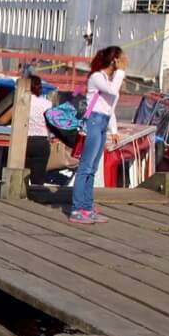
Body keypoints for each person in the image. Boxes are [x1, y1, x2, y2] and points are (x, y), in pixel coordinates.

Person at [69, 46, 125, 224]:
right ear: (114, 60)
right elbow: (112, 91)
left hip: (103, 122)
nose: (125, 62)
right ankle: (77, 209)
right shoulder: (97, 77)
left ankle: (87, 206)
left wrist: (114, 130)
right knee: (85, 167)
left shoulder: (109, 79)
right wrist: (121, 72)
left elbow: (110, 107)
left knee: (93, 168)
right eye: (121, 59)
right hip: (93, 122)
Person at [23, 74, 54, 184]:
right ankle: (36, 199)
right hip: (42, 141)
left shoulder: (22, 102)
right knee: (38, 179)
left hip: (25, 140)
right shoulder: (48, 104)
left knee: (22, 177)